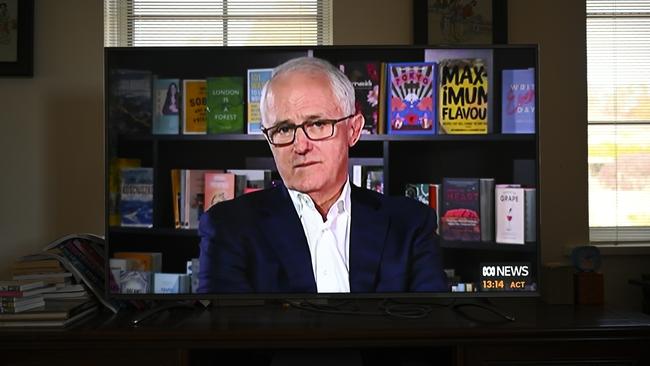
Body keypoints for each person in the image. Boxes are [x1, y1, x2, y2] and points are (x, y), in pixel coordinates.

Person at [197, 57, 447, 294]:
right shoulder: (227, 227)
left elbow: (433, 326)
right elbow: (227, 333)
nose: (301, 145)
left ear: (353, 130)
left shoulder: (410, 224)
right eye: (284, 129)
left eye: (317, 124)